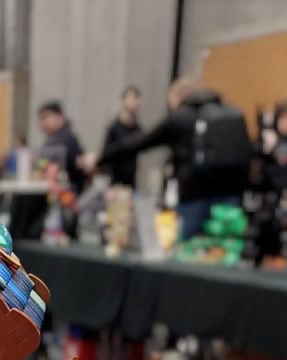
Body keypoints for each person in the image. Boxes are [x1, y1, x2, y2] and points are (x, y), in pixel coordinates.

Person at [87, 77, 251, 239]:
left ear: (179, 96)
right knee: (225, 247)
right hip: (229, 197)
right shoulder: (229, 113)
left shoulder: (181, 117)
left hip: (193, 196)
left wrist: (100, 157)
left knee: (187, 246)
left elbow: (140, 142)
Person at [37, 100, 85, 191]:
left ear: (60, 117)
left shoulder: (67, 140)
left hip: (67, 192)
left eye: (45, 117)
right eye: (41, 119)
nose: (42, 123)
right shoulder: (51, 140)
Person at [100, 86, 142, 187]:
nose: (134, 102)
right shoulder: (114, 127)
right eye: (132, 98)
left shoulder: (138, 129)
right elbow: (106, 154)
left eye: (136, 99)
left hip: (130, 181)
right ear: (124, 101)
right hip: (114, 181)